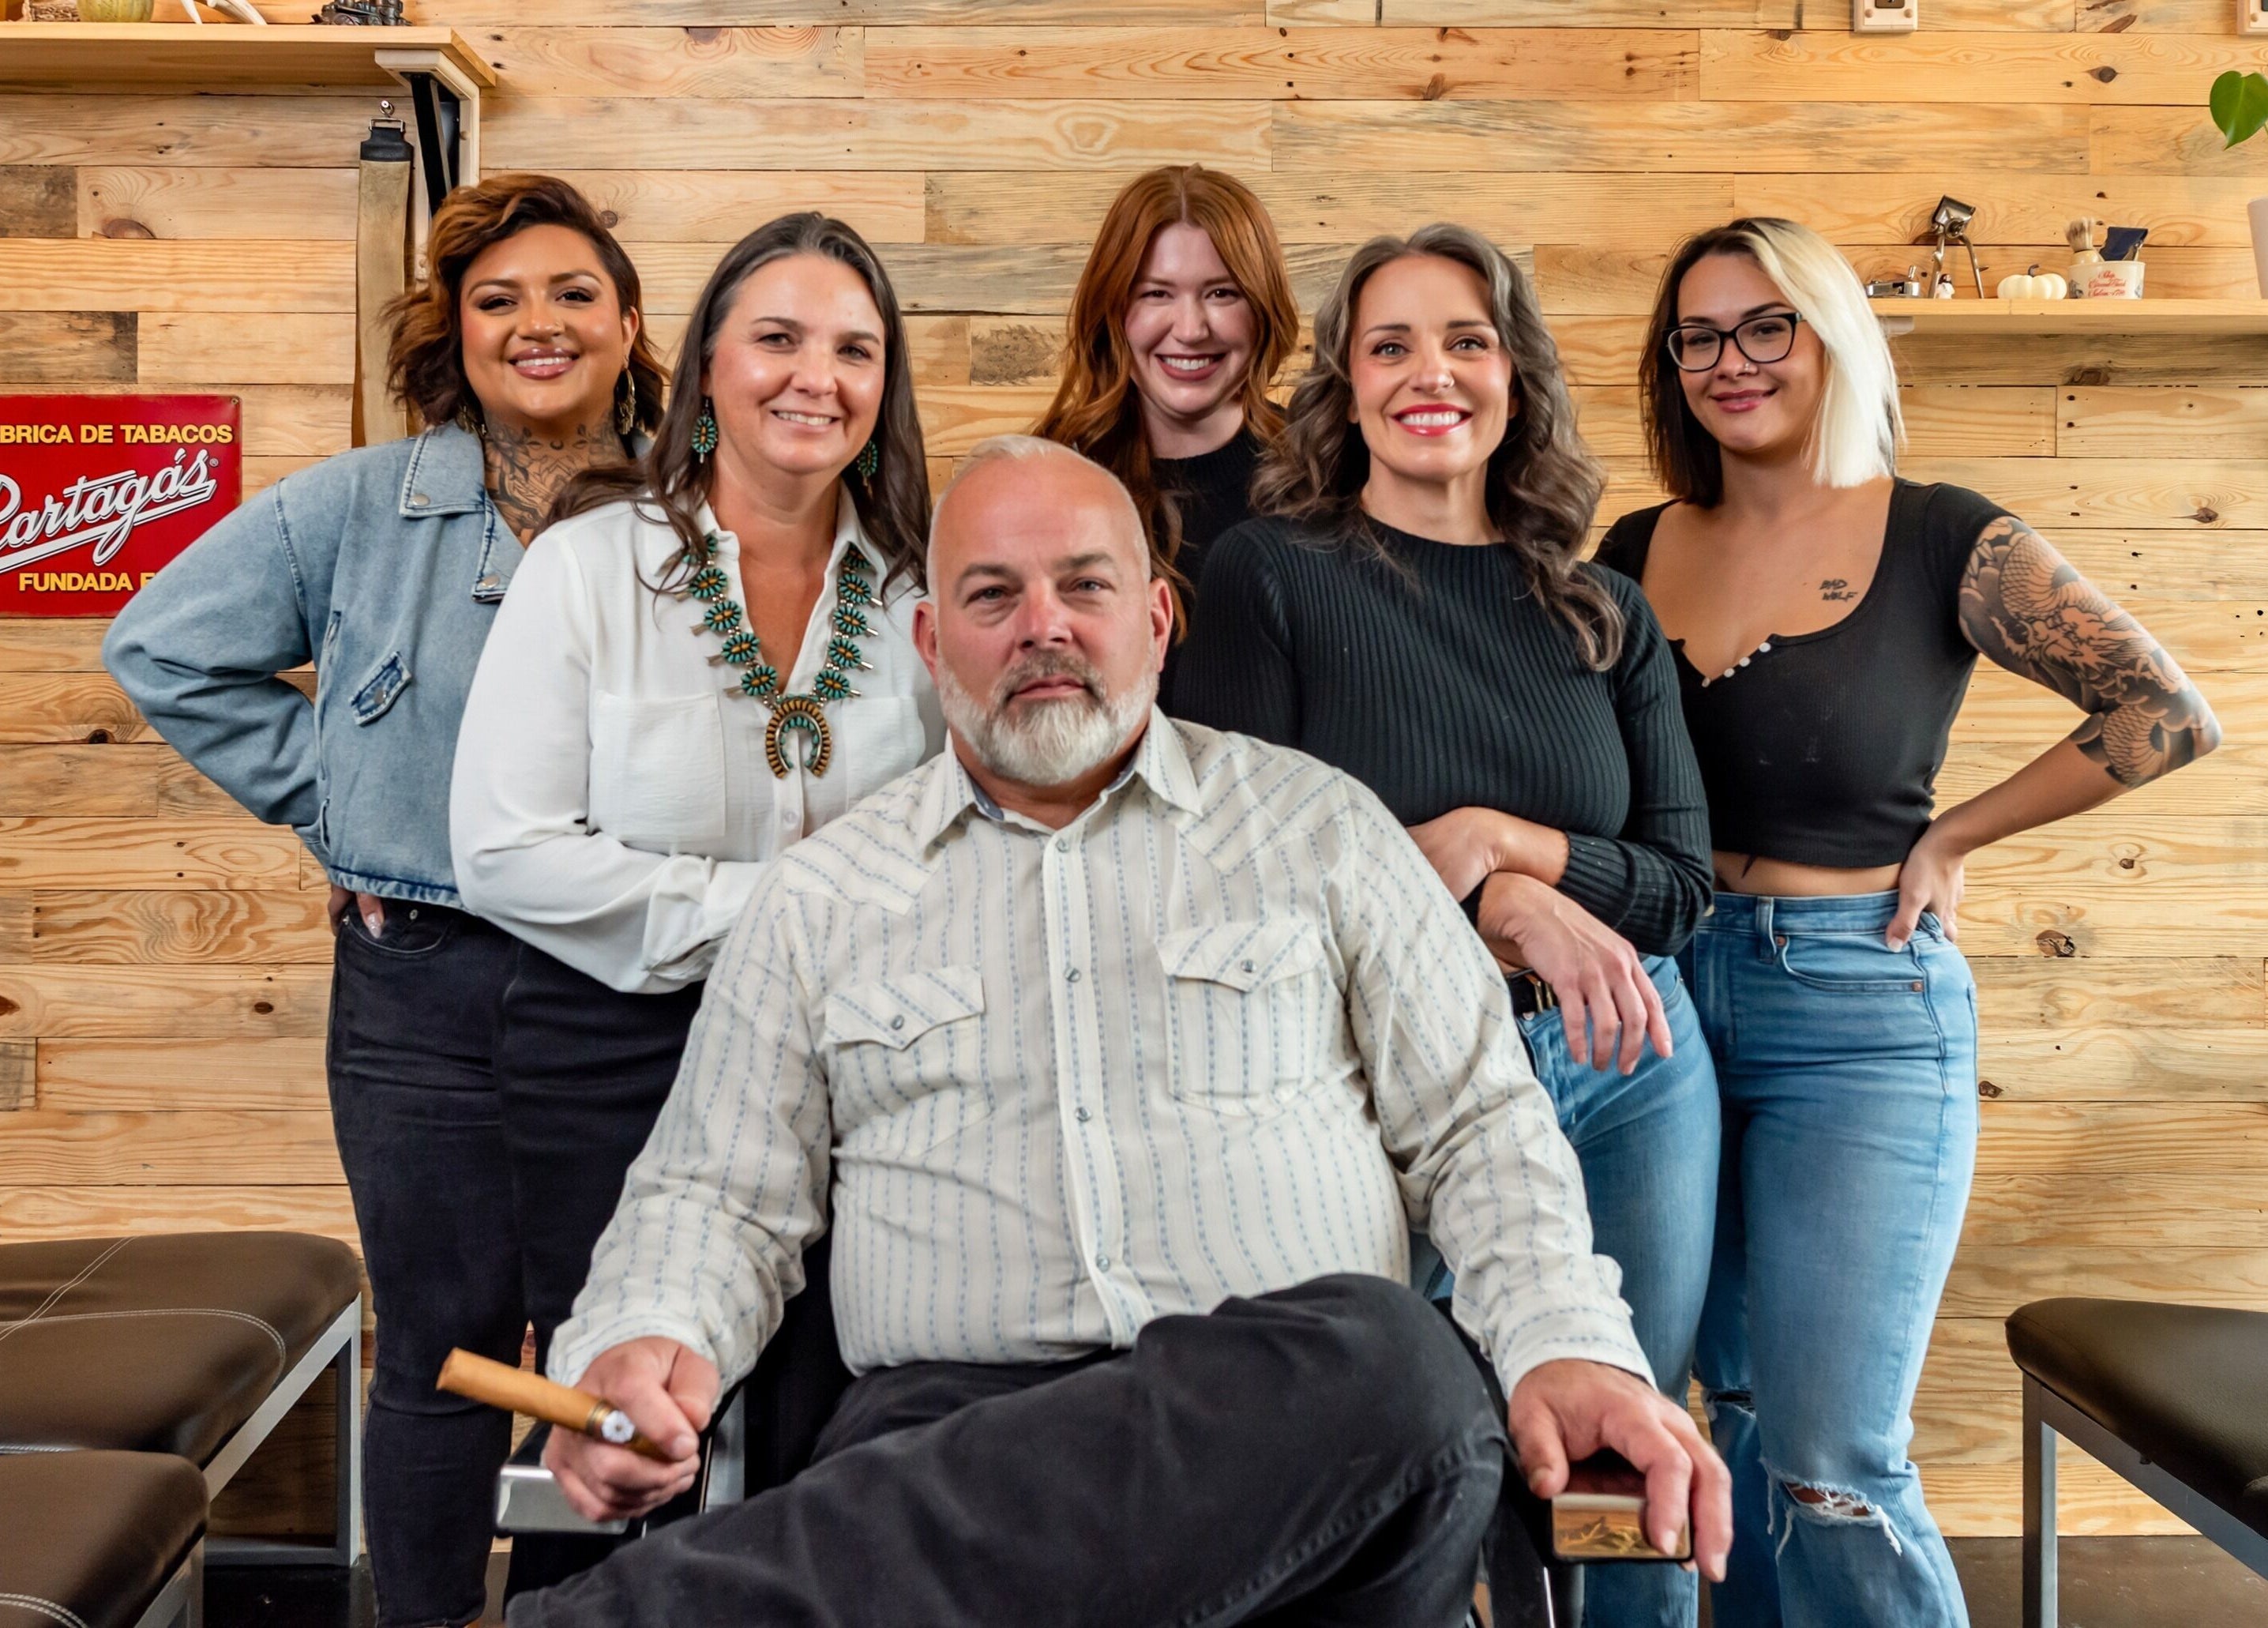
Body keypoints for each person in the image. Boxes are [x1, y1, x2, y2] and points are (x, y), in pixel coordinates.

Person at [509, 437, 1731, 1628]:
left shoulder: (1321, 830)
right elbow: (714, 1195)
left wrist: (1571, 1346)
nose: (1044, 625)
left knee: (1396, 1366)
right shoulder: (822, 897)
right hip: (955, 1448)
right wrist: (645, 1338)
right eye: (992, 595)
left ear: (1155, 619)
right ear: (934, 644)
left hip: (1301, 1455)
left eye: (1084, 585)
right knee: (1391, 1378)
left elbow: (1480, 1129)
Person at [1596, 216, 2222, 1628]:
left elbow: (2164, 712)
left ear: (1829, 335)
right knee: (1729, 1411)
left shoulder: (1941, 533)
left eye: (1766, 326)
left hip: (1854, 1010)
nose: (1728, 360)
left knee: (1833, 1456)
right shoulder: (1634, 548)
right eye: (1696, 335)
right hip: (1661, 1007)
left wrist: (1955, 832)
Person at [102, 174, 665, 1628]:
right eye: (497, 302)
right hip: (422, 988)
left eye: (569, 294)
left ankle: (573, 1613)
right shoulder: (356, 507)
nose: (535, 324)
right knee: (440, 1338)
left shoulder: (701, 509)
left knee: (621, 1342)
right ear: (454, 335)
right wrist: (334, 799)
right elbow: (162, 647)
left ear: (630, 322)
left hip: (644, 987)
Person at [1176, 224, 1716, 1628]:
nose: (1434, 374)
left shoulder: (1603, 610)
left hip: (1630, 1067)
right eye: (1391, 345)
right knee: (1402, 1463)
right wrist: (1491, 904)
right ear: (1343, 388)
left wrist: (1511, 857)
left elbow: (1677, 880)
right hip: (1381, 1084)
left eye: (1466, 340)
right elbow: (1240, 885)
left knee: (1617, 1470)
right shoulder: (1268, 576)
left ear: (1514, 375)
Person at [445, 210, 944, 1589]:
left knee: (826, 1422)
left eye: (854, 349)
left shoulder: (920, 586)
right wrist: (783, 911)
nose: (815, 377)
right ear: (709, 368)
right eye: (776, 339)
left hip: (866, 1069)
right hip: (614, 1052)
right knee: (621, 1432)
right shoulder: (591, 567)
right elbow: (504, 847)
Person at [1031, 164, 1300, 706]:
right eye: (1156, 294)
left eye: (1222, 293)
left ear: (1262, 309)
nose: (1191, 328)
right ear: (1114, 310)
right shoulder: (1049, 481)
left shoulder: (1320, 471)